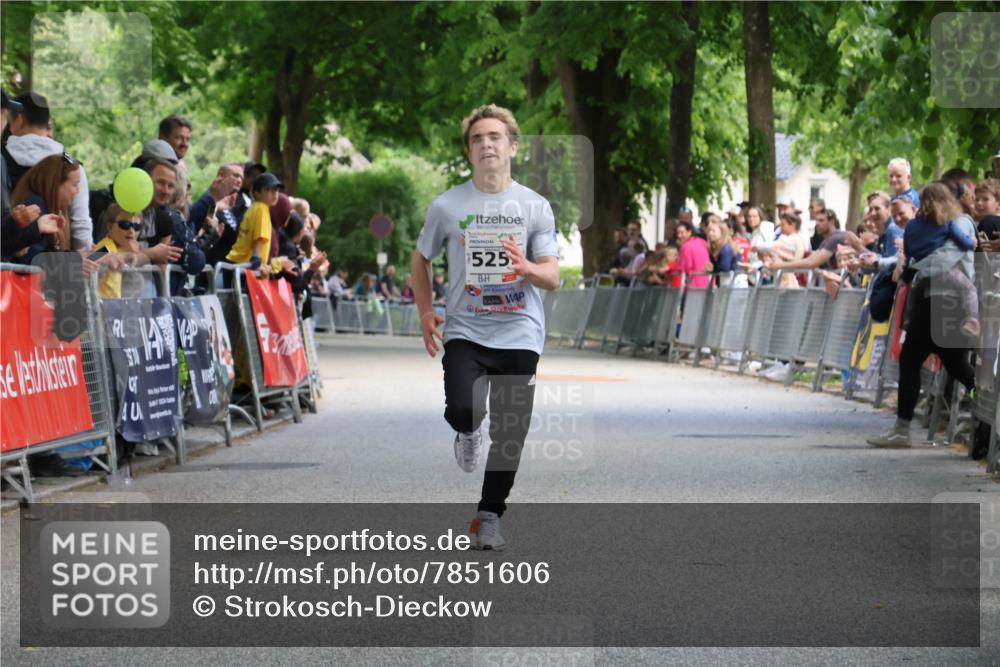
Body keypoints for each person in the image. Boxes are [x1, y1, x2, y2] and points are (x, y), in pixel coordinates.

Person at [411, 103, 559, 551]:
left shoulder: (535, 206)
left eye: (495, 136)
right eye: (477, 139)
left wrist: (527, 268)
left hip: (519, 331)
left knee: (511, 431)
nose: (487, 144)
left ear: (512, 146)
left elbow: (553, 276)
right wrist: (424, 311)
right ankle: (468, 429)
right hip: (466, 330)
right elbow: (420, 259)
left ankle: (489, 515)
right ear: (469, 152)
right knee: (462, 409)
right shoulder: (447, 205)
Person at [868, 182, 977, 448]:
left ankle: (902, 430)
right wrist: (912, 269)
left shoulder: (958, 222)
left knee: (951, 364)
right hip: (935, 299)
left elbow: (946, 258)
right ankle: (901, 429)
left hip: (947, 301)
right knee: (930, 361)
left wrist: (914, 271)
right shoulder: (937, 224)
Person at [3, 92, 92, 249]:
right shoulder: (72, 167)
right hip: (54, 261)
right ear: (47, 122)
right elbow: (81, 225)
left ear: (20, 119)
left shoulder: (2, 158)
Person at [226, 173, 283, 279]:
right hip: (246, 266)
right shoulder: (262, 209)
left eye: (276, 190)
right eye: (269, 190)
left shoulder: (254, 207)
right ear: (256, 193)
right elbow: (259, 237)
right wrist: (256, 260)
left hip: (236, 262)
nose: (275, 194)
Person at [92, 204, 147, 298]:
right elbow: (91, 258)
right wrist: (124, 252)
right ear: (109, 227)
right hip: (101, 306)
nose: (131, 231)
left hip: (117, 305)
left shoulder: (131, 250)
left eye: (136, 226)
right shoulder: (106, 245)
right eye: (125, 225)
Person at [158, 114, 192, 211]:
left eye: (188, 139)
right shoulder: (153, 167)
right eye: (179, 138)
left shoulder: (181, 166)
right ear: (163, 138)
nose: (184, 144)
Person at [676, 220, 710, 289]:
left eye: (682, 232)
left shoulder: (686, 247)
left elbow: (683, 268)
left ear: (689, 232)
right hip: (707, 282)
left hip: (693, 284)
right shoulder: (702, 242)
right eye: (678, 233)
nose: (679, 236)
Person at [705, 216, 740, 284]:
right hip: (725, 283)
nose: (710, 233)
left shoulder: (726, 248)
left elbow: (724, 268)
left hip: (733, 283)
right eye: (709, 231)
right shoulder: (714, 248)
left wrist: (712, 269)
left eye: (713, 231)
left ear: (722, 232)